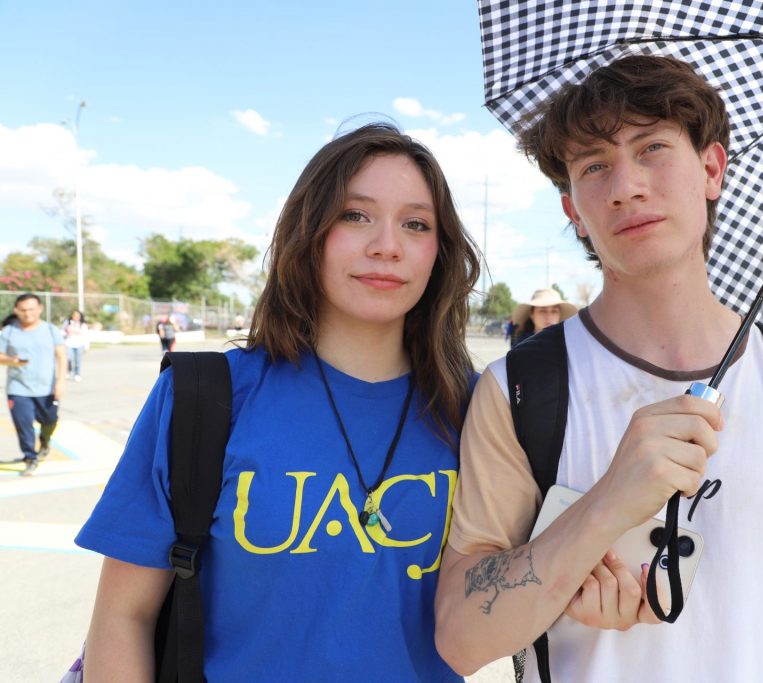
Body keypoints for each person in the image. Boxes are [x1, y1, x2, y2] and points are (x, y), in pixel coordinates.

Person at [435, 56, 763, 682]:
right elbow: (462, 639)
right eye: (594, 166)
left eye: (652, 148)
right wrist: (605, 505)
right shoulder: (519, 389)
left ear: (711, 169)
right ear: (573, 210)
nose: (626, 186)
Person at [75, 122, 481, 680]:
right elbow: (125, 616)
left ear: (440, 252)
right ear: (308, 232)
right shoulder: (207, 396)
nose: (387, 245)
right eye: (355, 215)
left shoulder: (478, 409)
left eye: (416, 223)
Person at [0, 293, 66, 476]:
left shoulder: (50, 330)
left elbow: (61, 356)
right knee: (23, 424)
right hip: (18, 388)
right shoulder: (9, 331)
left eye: (31, 309)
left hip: (47, 388)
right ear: (16, 310)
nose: (27, 313)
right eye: (23, 310)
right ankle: (30, 457)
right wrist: (11, 361)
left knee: (50, 421)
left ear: (40, 309)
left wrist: (60, 382)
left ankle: (44, 440)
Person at [509, 288, 577, 347]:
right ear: (532, 314)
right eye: (542, 311)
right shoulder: (521, 346)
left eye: (554, 311)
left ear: (559, 315)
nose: (549, 316)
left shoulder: (569, 345)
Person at [63, 310, 89, 381]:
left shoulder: (83, 325)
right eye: (74, 315)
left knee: (78, 361)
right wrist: (66, 333)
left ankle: (77, 374)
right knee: (69, 359)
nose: (76, 317)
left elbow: (86, 336)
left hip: (79, 345)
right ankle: (69, 371)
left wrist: (86, 346)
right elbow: (62, 333)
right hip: (69, 344)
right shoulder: (67, 323)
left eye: (77, 316)